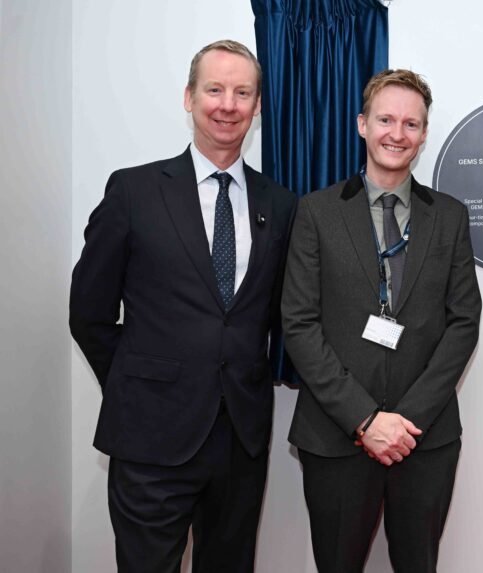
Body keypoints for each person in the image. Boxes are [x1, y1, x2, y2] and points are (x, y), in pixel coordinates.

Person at [69, 40, 296, 572]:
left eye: (242, 93)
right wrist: (140, 383)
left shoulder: (281, 204)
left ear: (258, 107)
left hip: (239, 440)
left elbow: (279, 316)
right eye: (214, 89)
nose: (228, 105)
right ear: (189, 98)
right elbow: (89, 314)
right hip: (149, 437)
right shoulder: (134, 191)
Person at [281, 69, 482, 573]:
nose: (398, 133)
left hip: (424, 437)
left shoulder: (451, 216)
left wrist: (405, 420)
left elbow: (464, 322)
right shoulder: (316, 212)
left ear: (424, 133)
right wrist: (365, 420)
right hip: (335, 435)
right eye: (386, 120)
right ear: (362, 125)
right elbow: (299, 323)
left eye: (411, 124)